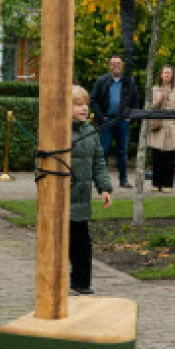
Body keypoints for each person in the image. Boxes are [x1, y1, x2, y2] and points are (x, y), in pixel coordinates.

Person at [69, 85, 113, 295]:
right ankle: (58, 281)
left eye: (85, 104)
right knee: (62, 244)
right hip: (63, 199)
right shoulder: (59, 131)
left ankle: (81, 283)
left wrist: (104, 187)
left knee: (83, 245)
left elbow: (99, 161)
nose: (84, 108)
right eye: (78, 104)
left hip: (81, 200)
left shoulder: (90, 131)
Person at [91, 53, 139, 188]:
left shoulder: (129, 81)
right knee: (103, 150)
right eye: (113, 64)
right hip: (107, 121)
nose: (116, 66)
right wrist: (101, 116)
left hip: (123, 121)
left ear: (121, 65)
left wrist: (131, 116)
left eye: (118, 64)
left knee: (122, 151)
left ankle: (123, 180)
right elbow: (93, 100)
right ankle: (102, 181)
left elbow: (135, 101)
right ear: (109, 66)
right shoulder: (102, 81)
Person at [145, 64, 175, 192]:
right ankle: (156, 184)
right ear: (161, 75)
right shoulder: (154, 89)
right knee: (157, 156)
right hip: (158, 126)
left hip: (172, 127)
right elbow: (151, 108)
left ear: (172, 75)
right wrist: (161, 98)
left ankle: (168, 184)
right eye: (165, 72)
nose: (167, 75)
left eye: (169, 73)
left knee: (169, 157)